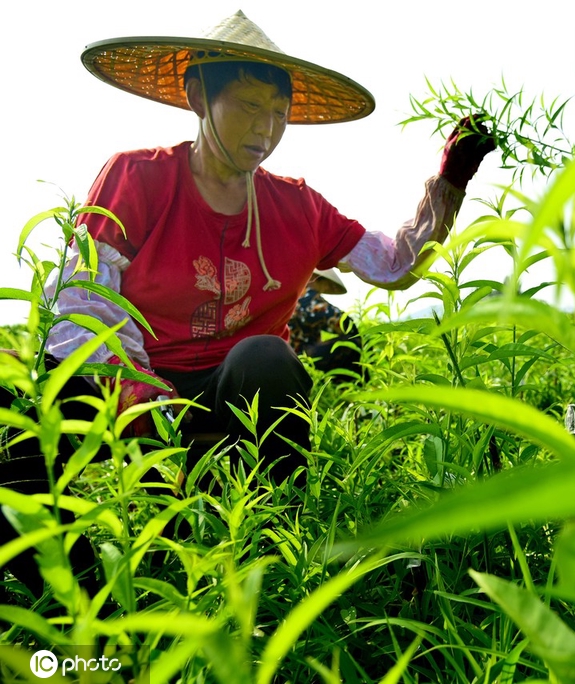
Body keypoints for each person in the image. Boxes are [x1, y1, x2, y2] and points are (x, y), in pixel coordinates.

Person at [0, 10, 494, 598]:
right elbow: (85, 304)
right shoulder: (137, 178)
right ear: (197, 95)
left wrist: (451, 182)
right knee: (20, 422)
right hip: (134, 389)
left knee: (266, 358)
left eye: (279, 114)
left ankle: (269, 562)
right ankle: (78, 597)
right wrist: (141, 397)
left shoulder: (299, 208)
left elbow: (392, 264)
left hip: (233, 400)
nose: (265, 129)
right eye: (249, 105)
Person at [287, 269, 366, 381]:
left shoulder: (293, 295)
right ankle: (360, 388)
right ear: (318, 280)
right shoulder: (309, 299)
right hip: (299, 358)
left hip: (288, 355)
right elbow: (344, 323)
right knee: (351, 344)